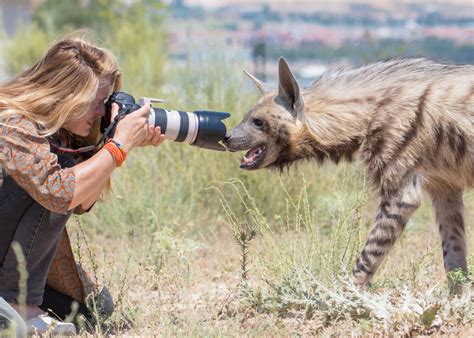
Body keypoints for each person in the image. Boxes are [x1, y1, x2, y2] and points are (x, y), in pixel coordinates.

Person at [0, 35, 165, 335]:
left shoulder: (60, 133)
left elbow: (81, 202)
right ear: (66, 94)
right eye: (97, 102)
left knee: (94, 310)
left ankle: (21, 307)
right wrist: (117, 147)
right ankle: (21, 307)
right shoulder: (11, 124)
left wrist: (112, 140)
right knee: (60, 182)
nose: (101, 112)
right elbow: (62, 192)